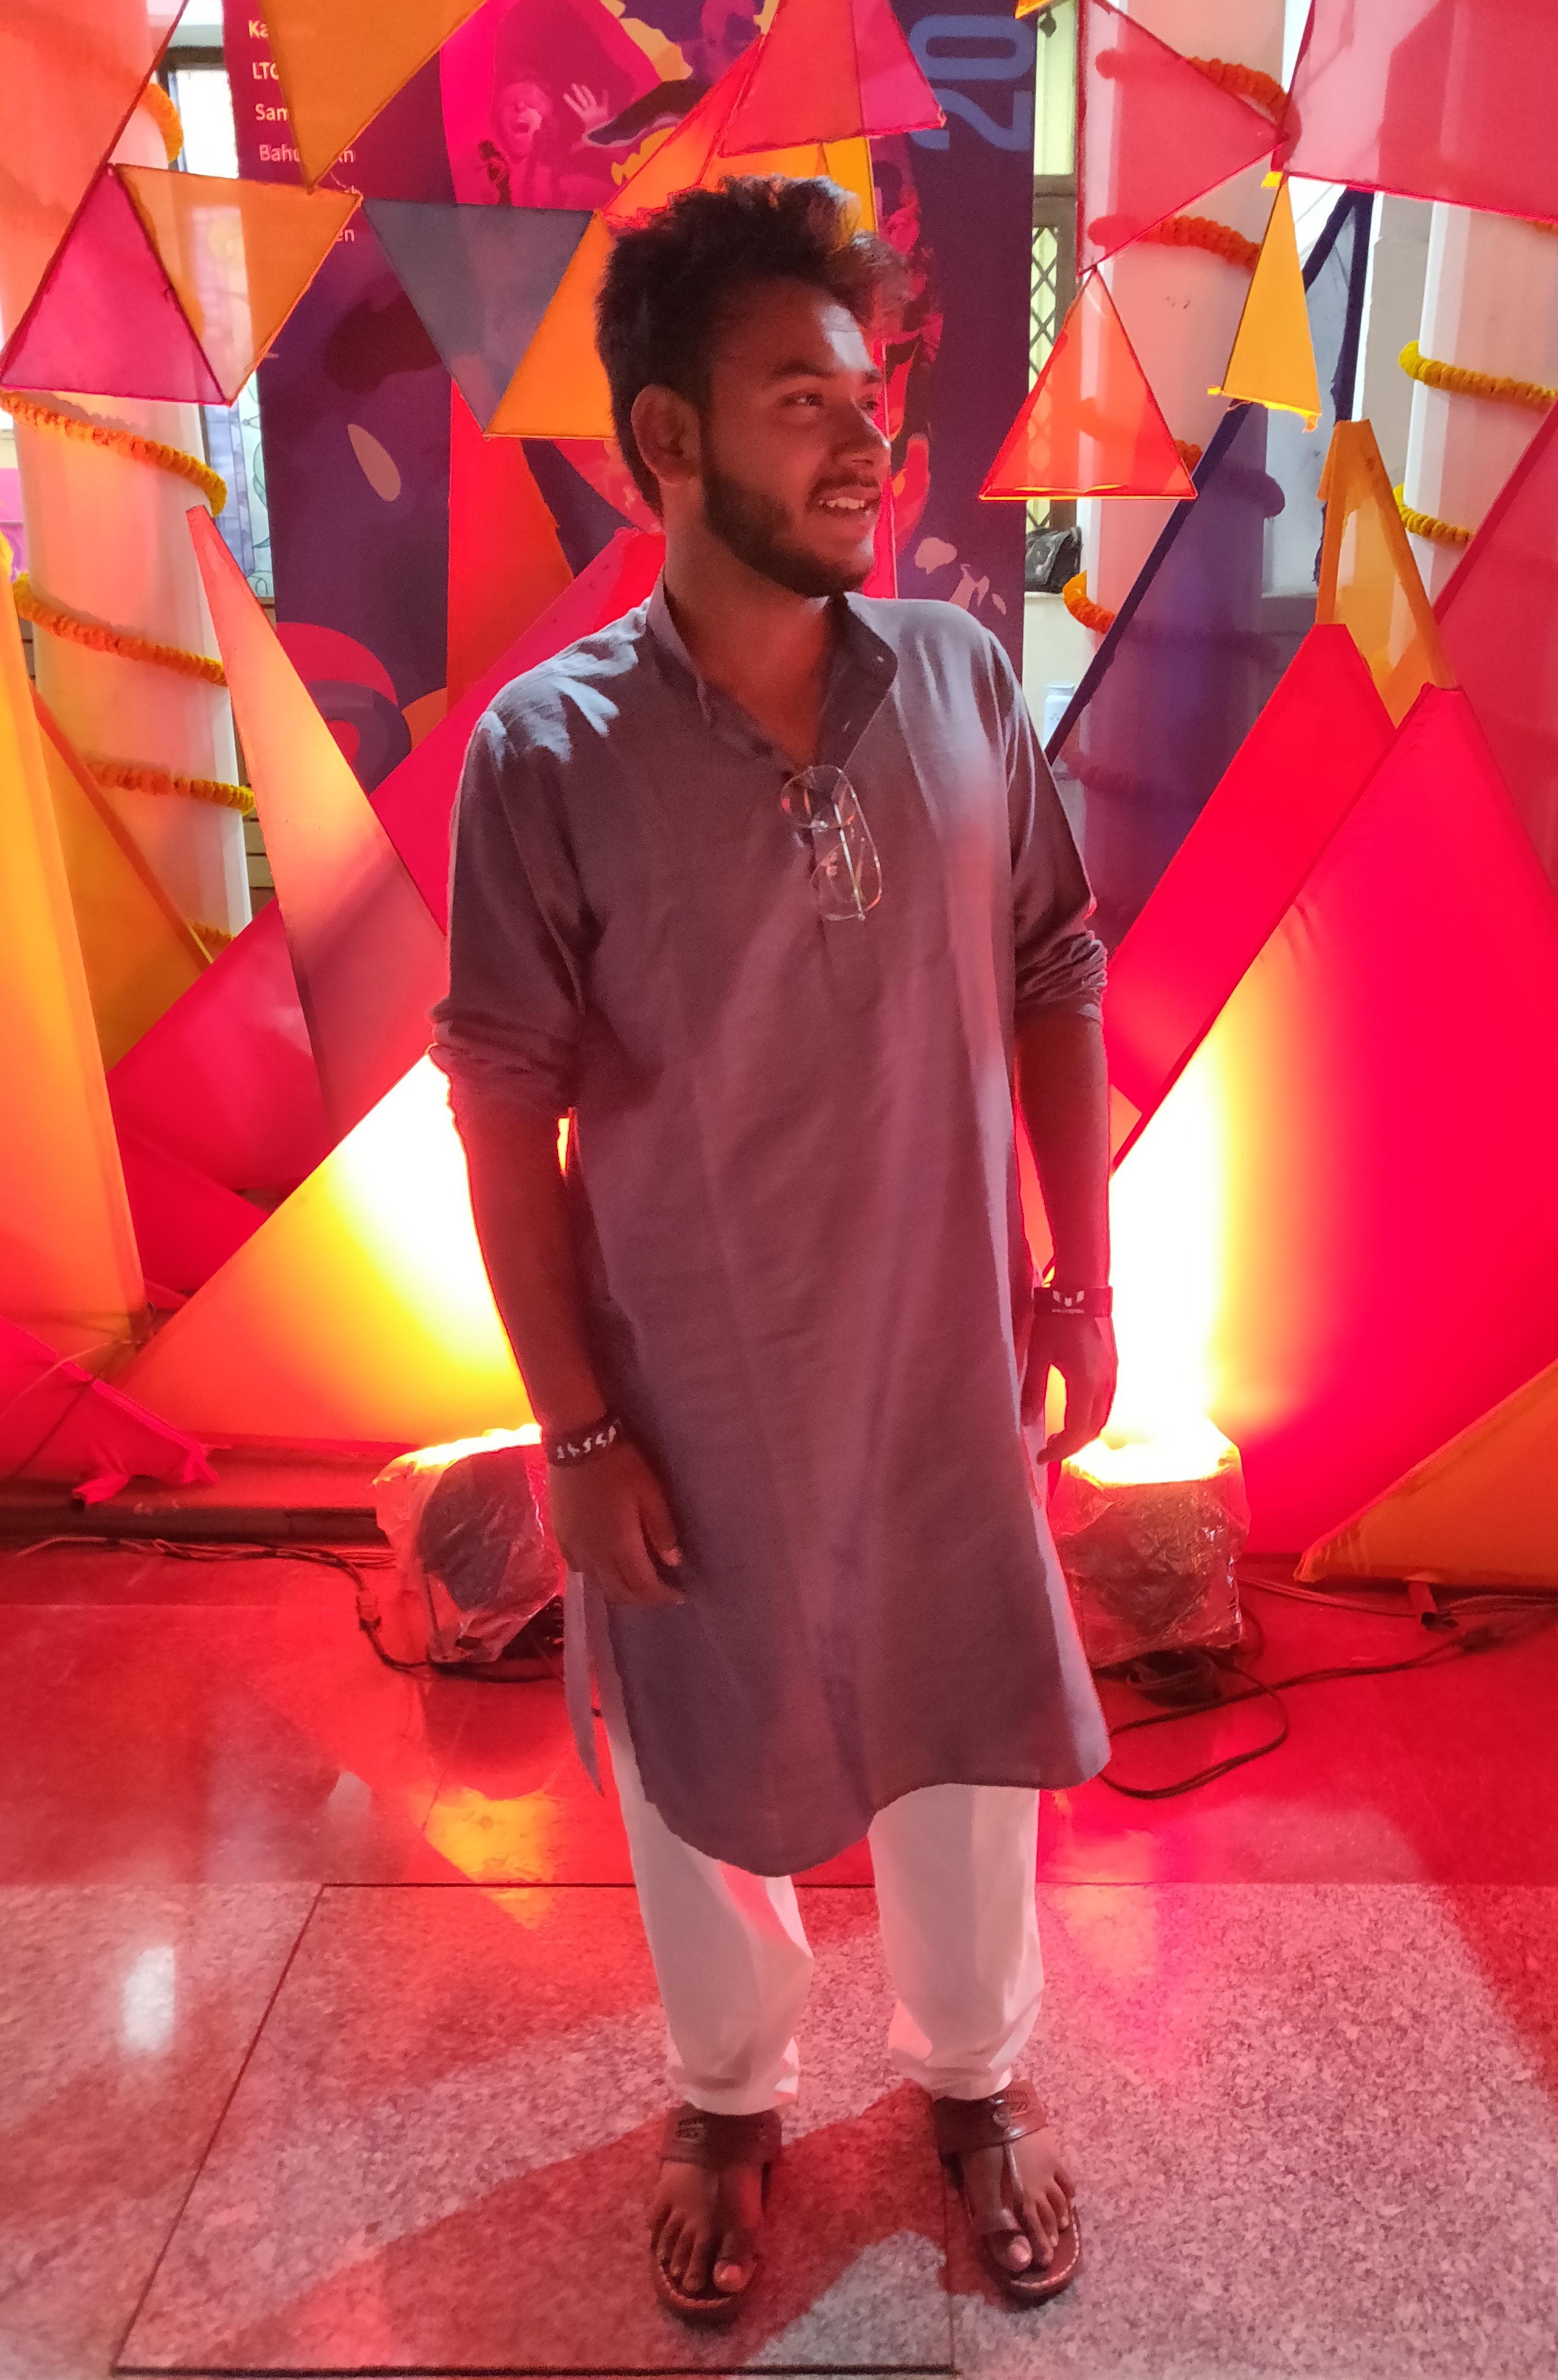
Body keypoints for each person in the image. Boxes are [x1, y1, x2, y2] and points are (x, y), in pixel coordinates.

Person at [432, 176, 1116, 2326]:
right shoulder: (550, 755)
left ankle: (974, 2078)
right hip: (694, 1381)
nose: (864, 440)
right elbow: (500, 1106)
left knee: (963, 1720)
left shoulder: (962, 681)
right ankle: (727, 2094)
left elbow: (1056, 964)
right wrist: (576, 1428)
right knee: (700, 1733)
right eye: (802, 399)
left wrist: (1081, 1282)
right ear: (666, 440)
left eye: (870, 394)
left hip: (940, 1363)